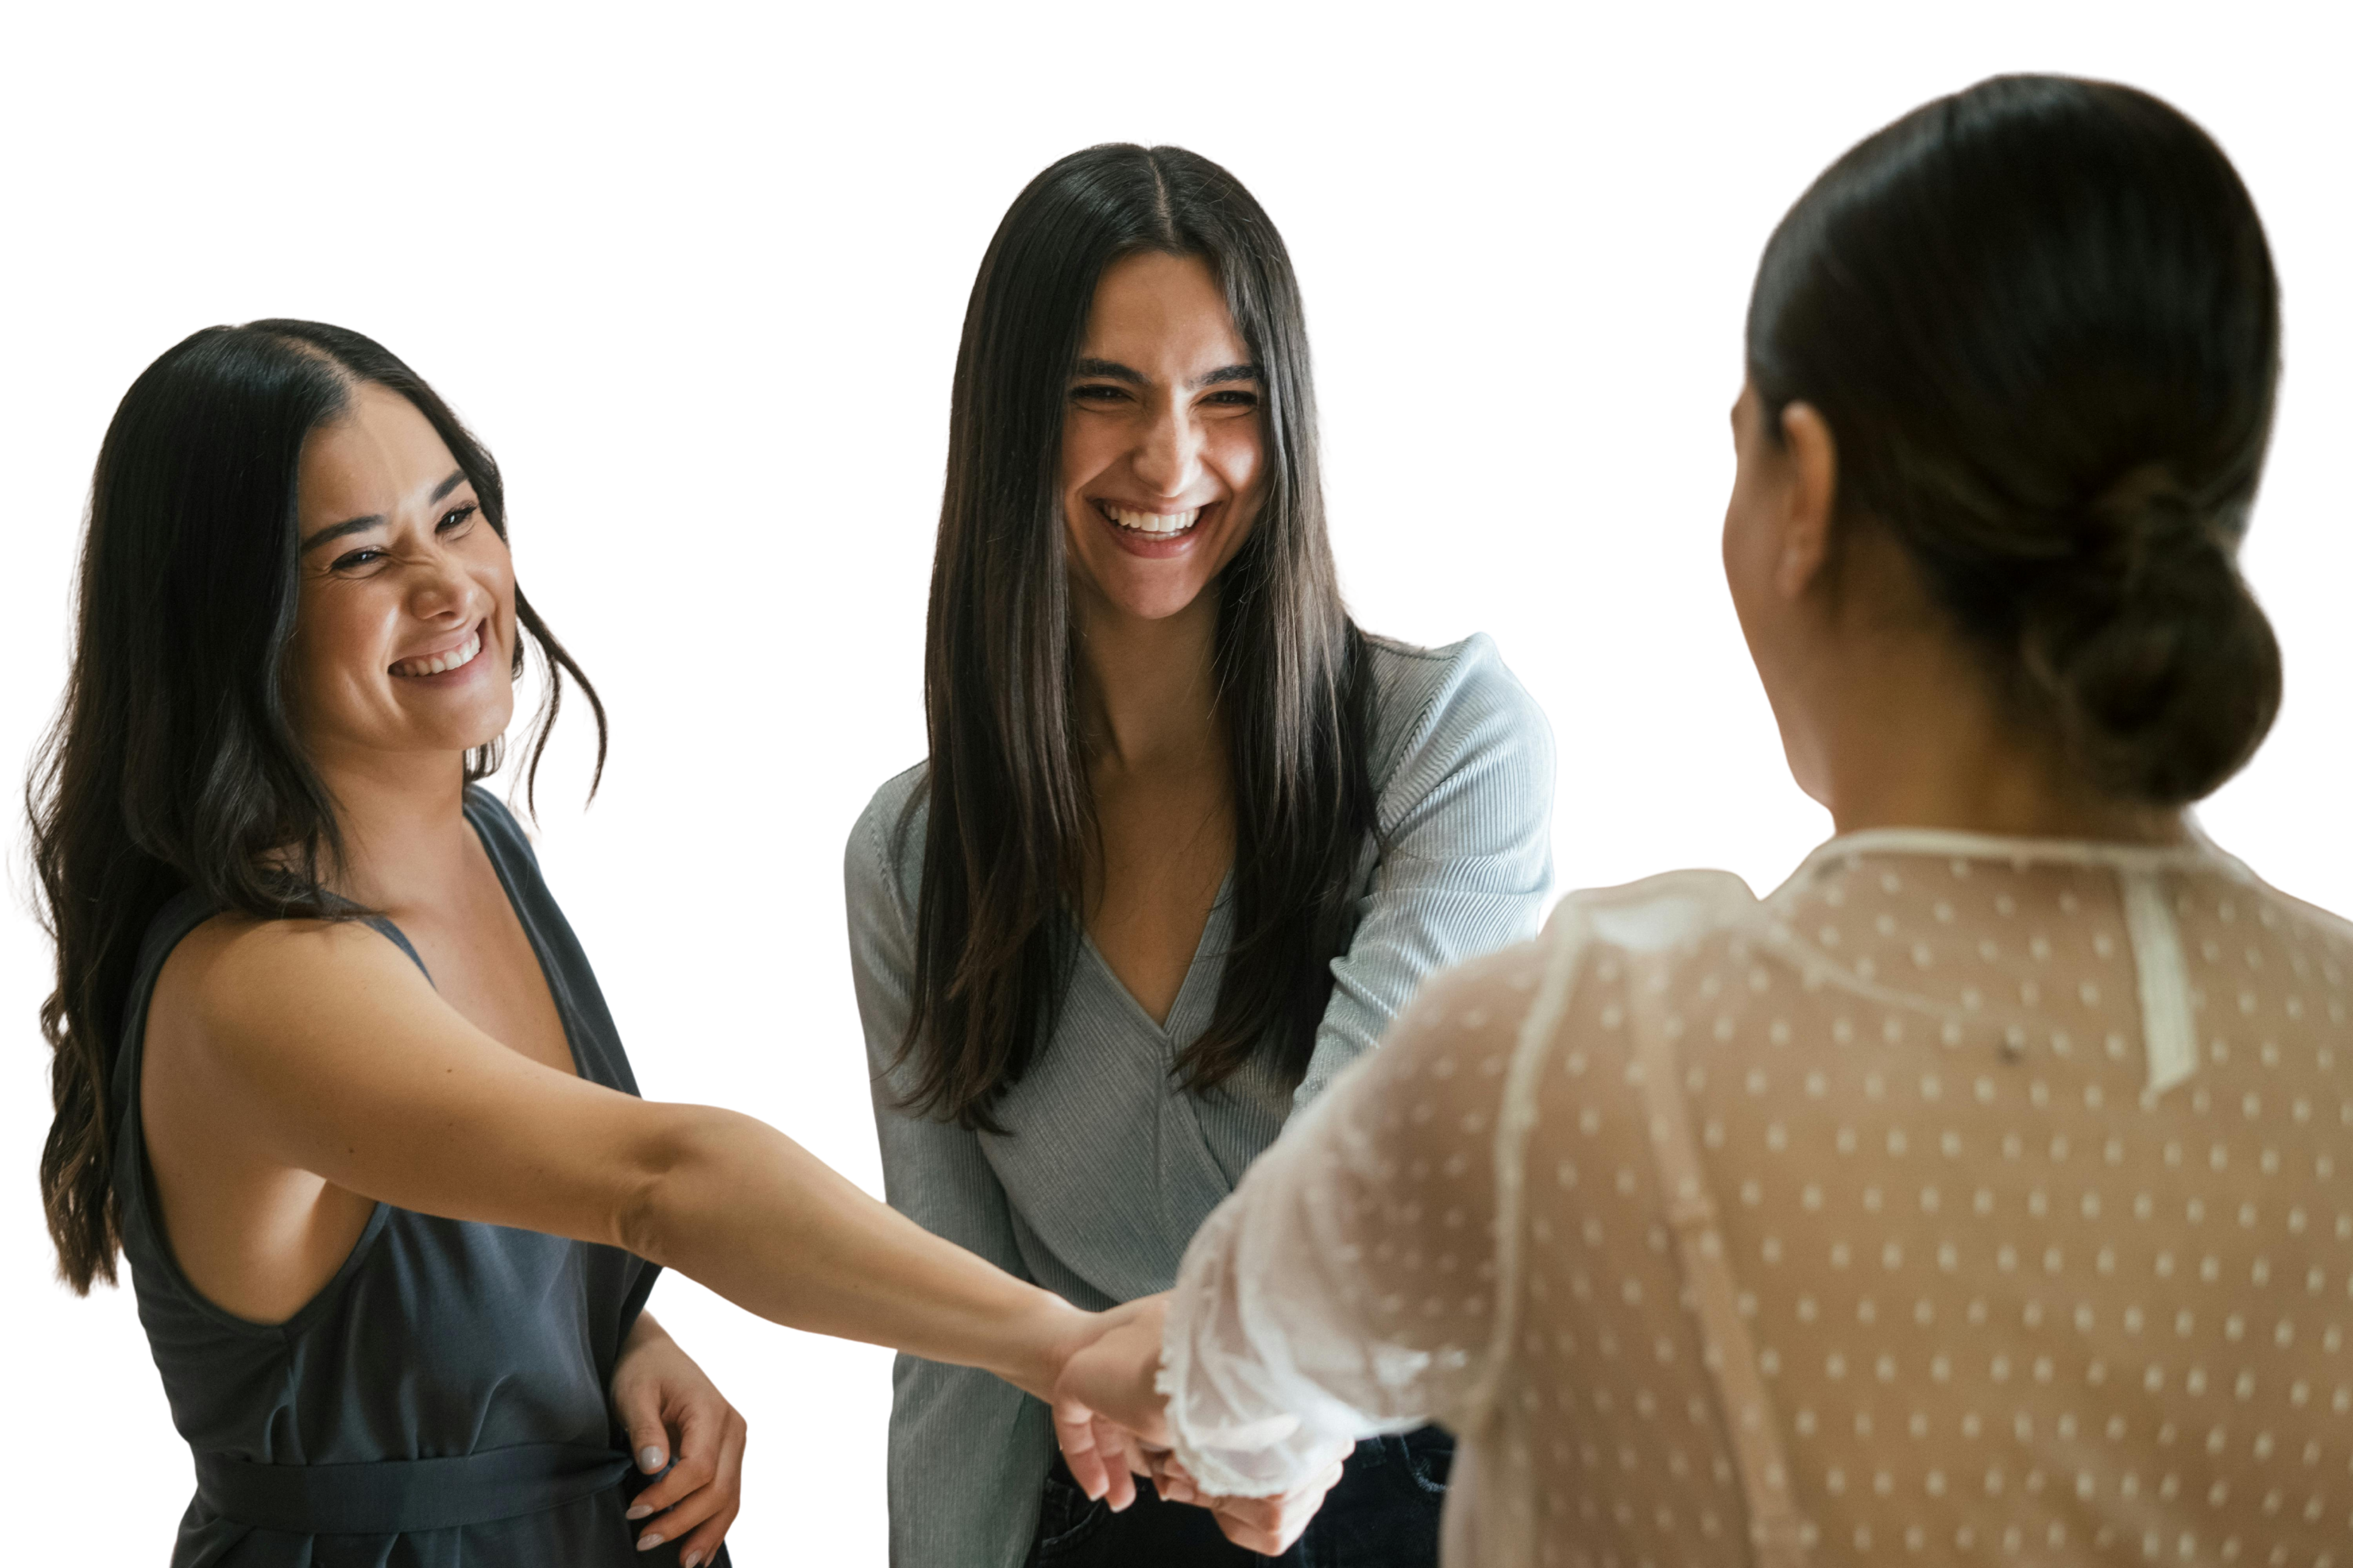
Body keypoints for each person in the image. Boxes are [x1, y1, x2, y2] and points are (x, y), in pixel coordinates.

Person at [1053, 72, 2348, 1566]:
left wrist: (1138, 1385)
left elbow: (1232, 1376)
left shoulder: (1570, 1055)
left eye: (1736, 451)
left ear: (1806, 489)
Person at [6, 318, 1150, 1567]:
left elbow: (482, 1230)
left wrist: (609, 1340)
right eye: (358, 558)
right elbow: (654, 1179)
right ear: (231, 624)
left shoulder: (483, 842)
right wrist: (1058, 1341)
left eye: (456, 518)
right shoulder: (258, 986)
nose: (449, 586)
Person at [845, 141, 1558, 1566]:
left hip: (1434, 1494)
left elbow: (1366, 1171)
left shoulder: (1452, 741)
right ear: (1007, 424)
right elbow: (953, 1336)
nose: (1170, 463)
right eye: (1101, 395)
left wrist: (1267, 1415)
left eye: (1228, 401)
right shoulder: (912, 855)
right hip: (1123, 1524)